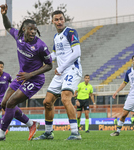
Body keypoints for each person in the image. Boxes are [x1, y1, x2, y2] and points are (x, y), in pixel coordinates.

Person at [0, 4, 52, 141]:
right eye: (30, 29)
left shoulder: (40, 45)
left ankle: (1, 134)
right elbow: (8, 27)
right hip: (22, 76)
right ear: (23, 29)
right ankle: (31, 124)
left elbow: (49, 65)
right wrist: (4, 15)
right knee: (4, 104)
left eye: (35, 29)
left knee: (11, 103)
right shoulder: (18, 36)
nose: (33, 31)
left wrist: (31, 74)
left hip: (35, 79)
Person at [34, 10, 82, 141]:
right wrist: (40, 60)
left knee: (66, 98)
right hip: (61, 73)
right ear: (52, 21)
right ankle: (48, 133)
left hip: (72, 69)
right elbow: (54, 55)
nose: (59, 21)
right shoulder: (56, 37)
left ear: (64, 20)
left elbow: (77, 52)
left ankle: (75, 133)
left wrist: (61, 67)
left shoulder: (70, 32)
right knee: (47, 102)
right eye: (56, 19)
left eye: (61, 19)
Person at [110, 55, 134, 136]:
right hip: (131, 96)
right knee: (124, 114)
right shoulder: (129, 72)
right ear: (132, 61)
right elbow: (124, 83)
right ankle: (117, 131)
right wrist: (117, 91)